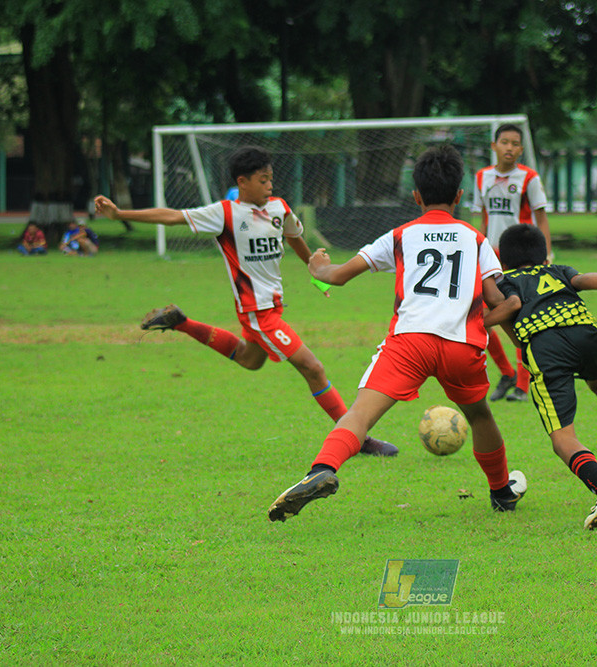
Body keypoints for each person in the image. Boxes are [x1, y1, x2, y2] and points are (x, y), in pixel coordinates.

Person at [268, 144, 527, 522]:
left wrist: (318, 265)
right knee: (480, 416)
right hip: (462, 346)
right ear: (458, 196)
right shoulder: (475, 239)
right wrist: (474, 321)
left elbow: (336, 276)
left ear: (416, 196)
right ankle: (502, 491)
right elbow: (498, 301)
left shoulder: (401, 235)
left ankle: (322, 470)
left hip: (410, 343)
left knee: (359, 414)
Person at [93, 146, 397, 457]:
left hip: (272, 308)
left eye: (271, 180)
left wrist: (318, 272)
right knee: (313, 368)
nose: (270, 186)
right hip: (257, 313)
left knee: (248, 359)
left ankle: (181, 322)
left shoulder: (279, 208)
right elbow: (172, 216)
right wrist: (120, 214)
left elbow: (295, 238)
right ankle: (358, 439)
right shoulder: (224, 213)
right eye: (263, 180)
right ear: (243, 182)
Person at [484, 224, 597, 530]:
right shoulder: (556, 270)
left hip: (546, 343)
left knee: (562, 437)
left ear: (502, 260)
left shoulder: (505, 281)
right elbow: (583, 280)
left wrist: (477, 324)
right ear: (544, 257)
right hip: (584, 329)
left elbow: (513, 314)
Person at [471, 123, 552, 404]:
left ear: (521, 148)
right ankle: (506, 372)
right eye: (504, 142)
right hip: (491, 255)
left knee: (519, 317)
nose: (509, 147)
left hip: (521, 258)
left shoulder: (529, 178)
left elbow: (541, 219)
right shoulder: (481, 177)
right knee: (479, 315)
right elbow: (482, 217)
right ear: (494, 146)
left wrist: (546, 254)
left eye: (515, 143)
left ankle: (522, 383)